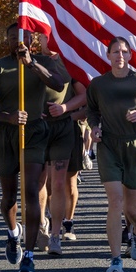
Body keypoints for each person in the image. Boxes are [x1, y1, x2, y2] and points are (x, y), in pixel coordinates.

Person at [0, 25, 69, 272]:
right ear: (6, 41)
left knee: (31, 190)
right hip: (6, 132)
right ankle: (13, 234)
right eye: (13, 38)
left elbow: (58, 83)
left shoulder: (42, 62)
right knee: (9, 197)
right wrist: (7, 117)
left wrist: (31, 64)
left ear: (31, 41)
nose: (19, 42)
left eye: (26, 38)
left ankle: (29, 255)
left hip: (35, 132)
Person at [87, 37, 136, 272]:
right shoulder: (98, 84)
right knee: (115, 202)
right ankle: (116, 260)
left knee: (132, 207)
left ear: (130, 56)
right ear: (108, 56)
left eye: (124, 51)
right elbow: (92, 111)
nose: (120, 55)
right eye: (115, 51)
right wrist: (95, 127)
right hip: (109, 145)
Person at [41, 45, 87, 256]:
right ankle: (42, 223)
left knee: (61, 182)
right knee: (40, 182)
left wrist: (65, 109)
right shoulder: (29, 61)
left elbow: (84, 96)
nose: (48, 39)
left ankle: (57, 233)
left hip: (63, 129)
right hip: (36, 130)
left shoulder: (70, 64)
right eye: (43, 35)